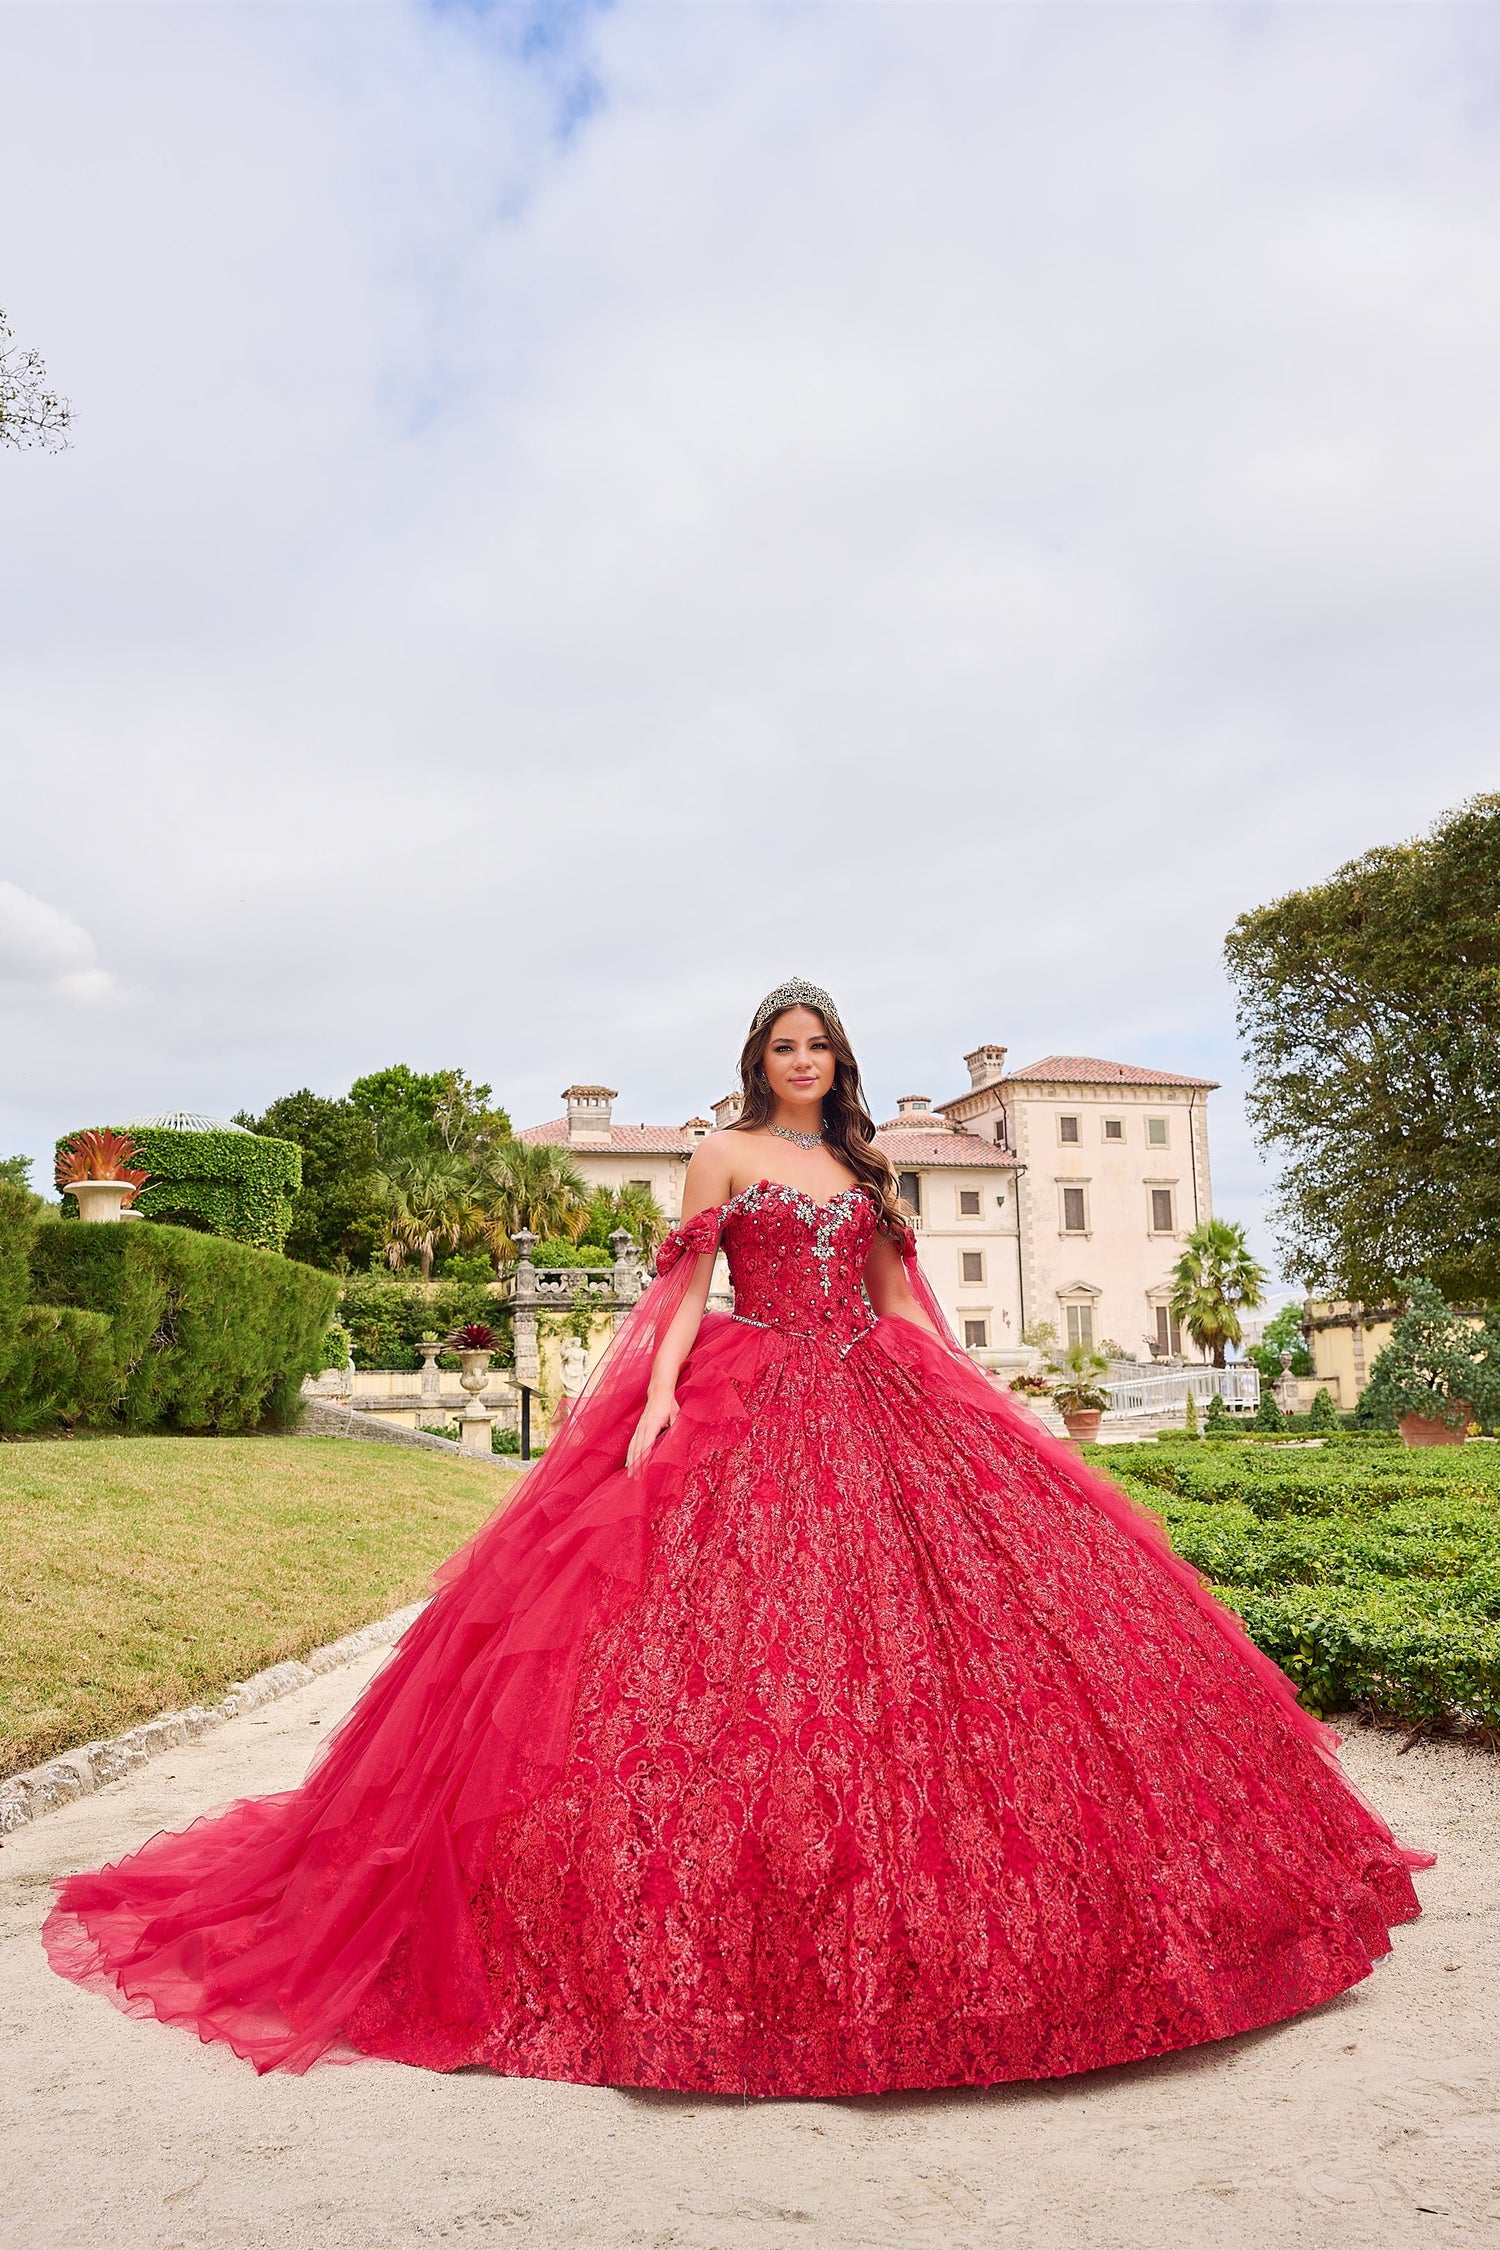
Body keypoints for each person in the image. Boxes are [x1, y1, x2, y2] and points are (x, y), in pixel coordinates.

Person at [44, 979, 1429, 2095]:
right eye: (786, 1041)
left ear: (841, 1057)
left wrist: (988, 1406)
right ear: (757, 1057)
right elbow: (683, 1293)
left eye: (822, 1041)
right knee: (714, 1648)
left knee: (940, 1642)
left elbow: (900, 1305)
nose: (806, 1058)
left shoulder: (869, 1162)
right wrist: (647, 1416)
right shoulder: (720, 1152)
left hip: (878, 1396)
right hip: (743, 1392)